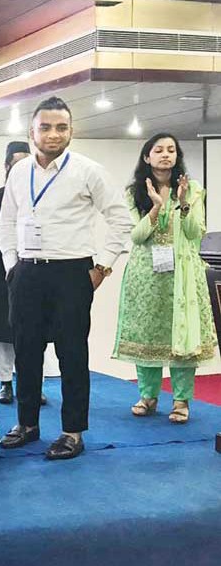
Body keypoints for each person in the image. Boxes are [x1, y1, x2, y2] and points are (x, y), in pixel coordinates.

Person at [0, 96, 132, 460]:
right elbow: (6, 221)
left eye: (61, 127)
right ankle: (26, 424)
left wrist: (101, 268)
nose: (53, 134)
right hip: (26, 273)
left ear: (71, 131)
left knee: (72, 354)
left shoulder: (88, 170)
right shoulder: (19, 172)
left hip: (73, 273)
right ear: (31, 131)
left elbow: (121, 219)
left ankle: (73, 431)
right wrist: (12, 264)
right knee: (26, 352)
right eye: (45, 127)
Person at [114, 133, 218, 424]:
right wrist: (157, 207)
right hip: (147, 275)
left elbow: (196, 232)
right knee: (148, 336)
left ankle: (182, 400)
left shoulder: (193, 189)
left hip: (183, 274)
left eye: (171, 149)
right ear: (147, 157)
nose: (165, 155)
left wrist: (183, 203)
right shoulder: (135, 192)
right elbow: (136, 236)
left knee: (182, 336)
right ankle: (148, 396)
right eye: (158, 150)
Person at [0, 141, 55, 405]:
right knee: (2, 334)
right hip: (0, 273)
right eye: (17, 163)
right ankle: (4, 383)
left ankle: (34, 386)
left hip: (38, 273)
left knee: (36, 332)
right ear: (6, 166)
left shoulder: (47, 194)